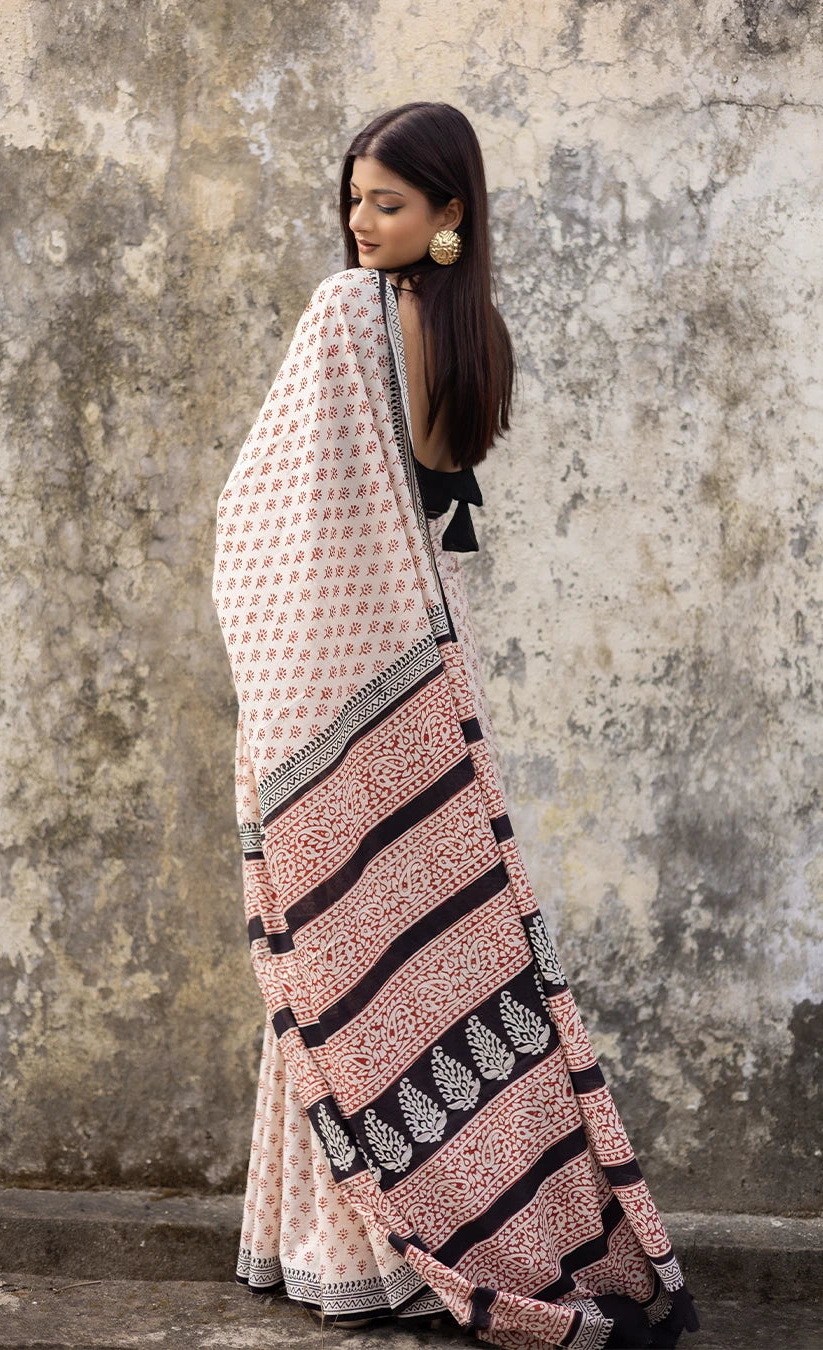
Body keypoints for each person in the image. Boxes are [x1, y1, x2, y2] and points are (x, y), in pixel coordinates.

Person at [212, 102, 699, 1350]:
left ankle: (361, 1250)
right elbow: (434, 507)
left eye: (386, 202)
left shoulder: (346, 314)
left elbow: (267, 520)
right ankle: (510, 1227)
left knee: (336, 964)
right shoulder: (472, 332)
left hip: (330, 685)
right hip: (433, 683)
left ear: (450, 213)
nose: (359, 224)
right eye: (354, 200)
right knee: (435, 959)